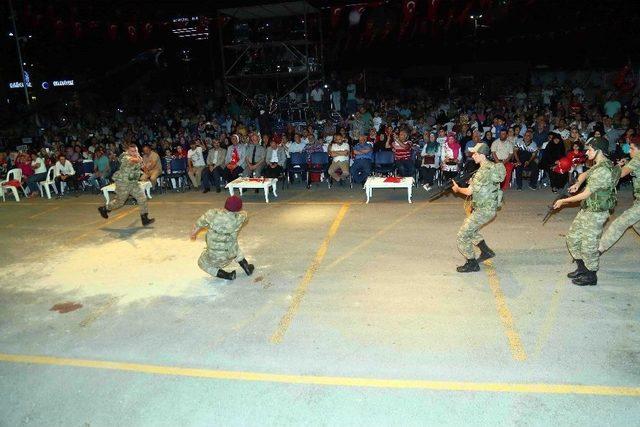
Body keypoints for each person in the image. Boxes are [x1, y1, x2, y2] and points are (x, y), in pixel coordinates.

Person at [552, 138, 617, 286]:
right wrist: (578, 183)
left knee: (589, 245)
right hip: (588, 208)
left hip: (597, 212)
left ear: (599, 151)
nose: (587, 152)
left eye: (590, 150)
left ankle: (591, 275)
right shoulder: (598, 164)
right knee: (572, 238)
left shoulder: (603, 170)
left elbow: (586, 194)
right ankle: (582, 268)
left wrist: (563, 201)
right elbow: (584, 175)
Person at [451, 143, 506, 273]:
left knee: (463, 235)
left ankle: (472, 263)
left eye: (475, 154)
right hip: (488, 207)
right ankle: (486, 251)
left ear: (482, 155)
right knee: (472, 229)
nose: (473, 156)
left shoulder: (481, 172)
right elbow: (486, 184)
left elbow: (469, 192)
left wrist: (457, 189)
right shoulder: (490, 167)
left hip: (484, 210)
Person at [189, 195, 254, 281]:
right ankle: (247, 268)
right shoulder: (240, 217)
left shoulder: (211, 214)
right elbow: (244, 215)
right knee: (233, 245)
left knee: (202, 263)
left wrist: (193, 234)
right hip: (230, 253)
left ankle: (227, 275)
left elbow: (198, 224)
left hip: (214, 256)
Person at [98, 143, 155, 226]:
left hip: (133, 183)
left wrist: (147, 170)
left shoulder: (138, 157)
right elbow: (133, 160)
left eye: (136, 150)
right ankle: (104, 209)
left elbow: (144, 168)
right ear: (128, 151)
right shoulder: (125, 157)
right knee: (120, 202)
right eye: (132, 151)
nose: (134, 152)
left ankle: (144, 219)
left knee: (142, 198)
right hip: (123, 183)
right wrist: (140, 159)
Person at [599, 139, 640, 253]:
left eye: (631, 148)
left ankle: (598, 249)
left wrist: (616, 166)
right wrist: (626, 163)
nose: (629, 151)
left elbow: (621, 174)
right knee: (637, 224)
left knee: (621, 222)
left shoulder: (637, 158)